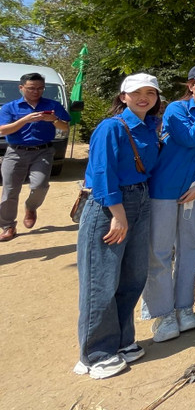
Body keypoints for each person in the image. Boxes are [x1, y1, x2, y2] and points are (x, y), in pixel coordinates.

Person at [74, 74, 161, 379]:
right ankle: (95, 353)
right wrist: (117, 213)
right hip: (110, 206)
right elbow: (101, 172)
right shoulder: (111, 127)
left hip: (141, 200)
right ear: (123, 96)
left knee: (133, 276)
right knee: (101, 281)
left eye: (150, 93)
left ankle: (122, 340)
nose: (144, 98)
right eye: (137, 92)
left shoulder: (150, 127)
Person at [142, 63, 195, 343]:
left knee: (190, 249)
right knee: (160, 252)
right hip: (162, 190)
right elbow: (189, 139)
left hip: (193, 192)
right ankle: (162, 314)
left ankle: (184, 306)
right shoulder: (176, 109)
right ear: (191, 85)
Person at [0, 72, 71, 241]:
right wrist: (24, 120)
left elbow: (65, 127)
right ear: (21, 88)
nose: (36, 92)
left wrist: (53, 119)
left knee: (40, 185)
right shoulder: (9, 107)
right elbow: (3, 130)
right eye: (31, 88)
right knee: (10, 190)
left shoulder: (53, 105)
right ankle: (8, 226)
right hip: (15, 152)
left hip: (43, 151)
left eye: (40, 88)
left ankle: (31, 207)